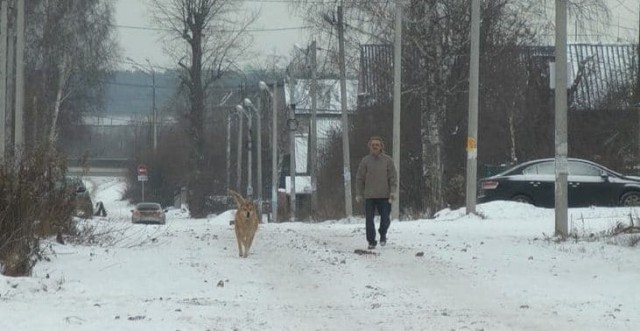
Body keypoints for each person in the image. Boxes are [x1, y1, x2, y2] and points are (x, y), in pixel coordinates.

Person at [355, 136, 398, 249]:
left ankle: (382, 234)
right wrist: (359, 193)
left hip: (384, 195)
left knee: (385, 219)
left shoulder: (388, 160)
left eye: (377, 145)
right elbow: (360, 178)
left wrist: (393, 192)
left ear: (381, 147)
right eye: (373, 145)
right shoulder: (365, 161)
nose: (375, 147)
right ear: (370, 146)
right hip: (369, 196)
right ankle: (371, 241)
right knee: (369, 220)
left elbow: (393, 178)